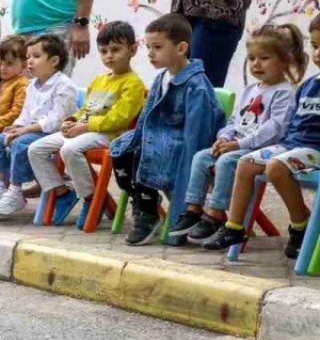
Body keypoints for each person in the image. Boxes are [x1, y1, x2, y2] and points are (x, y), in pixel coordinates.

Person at [168, 24, 304, 245]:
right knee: (201, 157)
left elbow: (274, 129)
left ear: (285, 60)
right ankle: (193, 210)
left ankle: (216, 213)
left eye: (264, 58)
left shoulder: (285, 92)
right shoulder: (252, 89)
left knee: (227, 161)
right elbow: (235, 120)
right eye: (251, 58)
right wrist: (224, 137)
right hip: (238, 143)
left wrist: (239, 144)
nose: (256, 64)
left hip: (261, 149)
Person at [201, 22, 317, 256]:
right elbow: (293, 123)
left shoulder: (288, 89)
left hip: (314, 150)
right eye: (315, 46)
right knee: (246, 163)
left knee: (275, 167)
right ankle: (234, 226)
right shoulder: (309, 86)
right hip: (291, 147)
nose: (318, 53)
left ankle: (300, 225)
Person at [109, 14, 223, 246]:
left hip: (183, 142)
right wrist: (136, 138)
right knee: (122, 148)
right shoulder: (161, 76)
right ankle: (146, 207)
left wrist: (187, 194)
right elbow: (146, 117)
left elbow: (197, 137)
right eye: (149, 47)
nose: (150, 53)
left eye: (158, 47)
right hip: (160, 136)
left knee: (144, 150)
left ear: (181, 48)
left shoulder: (196, 85)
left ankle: (154, 212)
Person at [27, 22, 147, 227]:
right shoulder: (99, 80)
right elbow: (85, 110)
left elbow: (119, 118)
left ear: (132, 50)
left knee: (70, 149)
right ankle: (62, 193)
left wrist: (85, 126)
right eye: (104, 51)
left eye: (116, 50)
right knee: (35, 149)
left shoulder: (133, 83)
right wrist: (71, 121)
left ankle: (92, 200)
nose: (109, 55)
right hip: (84, 130)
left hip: (110, 135)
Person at [0, 35, 78, 217]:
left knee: (20, 143)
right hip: (33, 131)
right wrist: (16, 127)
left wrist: (25, 130)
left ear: (54, 61)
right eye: (28, 57)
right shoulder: (32, 85)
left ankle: (16, 190)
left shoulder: (64, 85)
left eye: (35, 56)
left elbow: (57, 121)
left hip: (55, 133)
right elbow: (26, 114)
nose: (29, 62)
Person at [0, 36, 28, 134]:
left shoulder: (21, 84)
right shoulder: (2, 81)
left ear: (24, 64)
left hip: (7, 130)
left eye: (9, 63)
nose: (3, 68)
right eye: (0, 63)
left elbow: (17, 113)